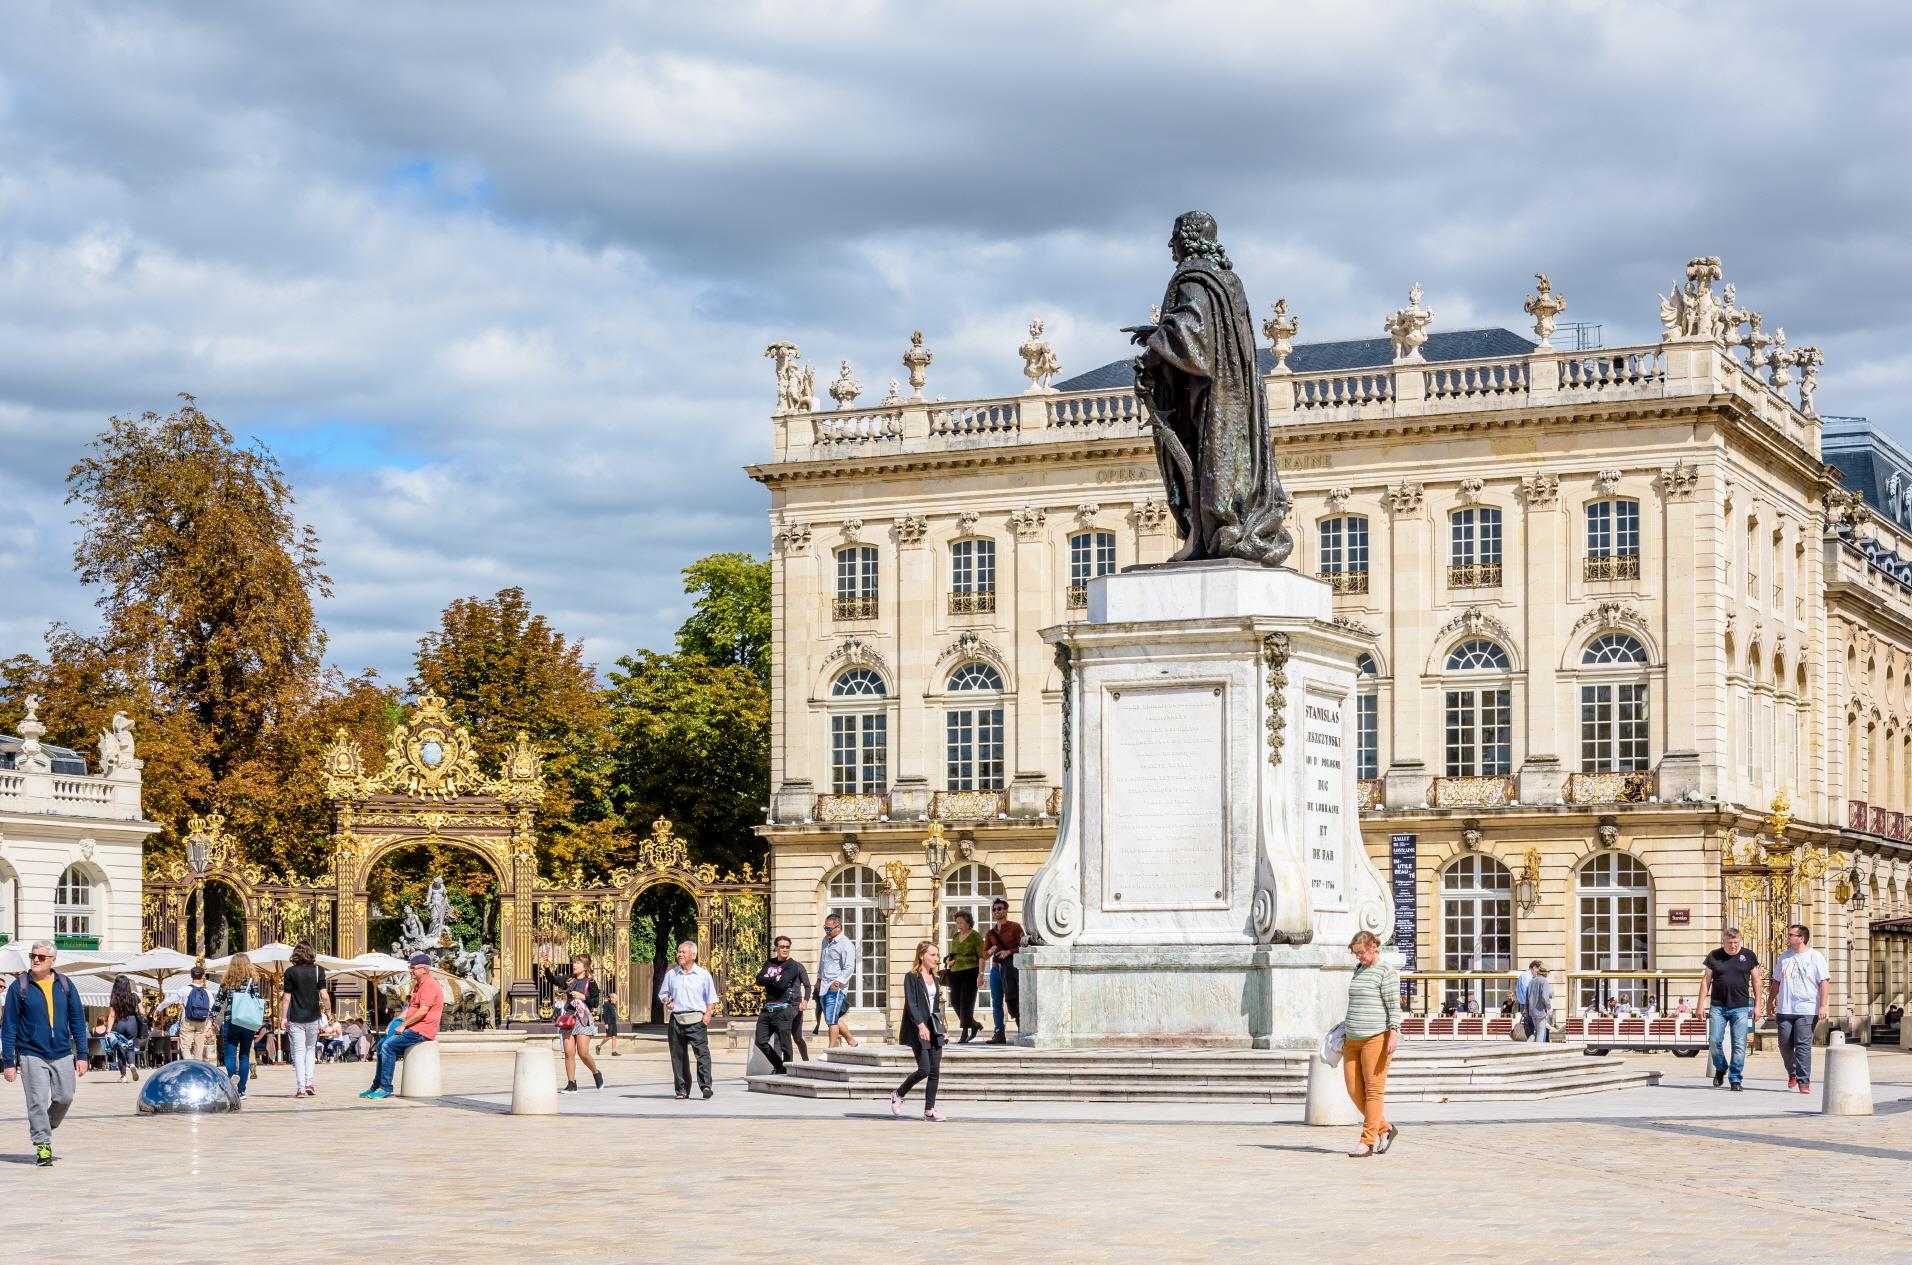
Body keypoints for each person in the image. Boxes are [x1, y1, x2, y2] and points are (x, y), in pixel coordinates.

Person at [1, 940, 89, 1166]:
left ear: (53, 960)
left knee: (65, 1097)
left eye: (41, 957)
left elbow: (78, 1021)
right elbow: (9, 1026)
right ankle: (42, 1145)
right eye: (33, 956)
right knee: (37, 1102)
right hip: (31, 1053)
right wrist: (8, 1061)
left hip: (61, 1052)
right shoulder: (19, 986)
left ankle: (43, 1126)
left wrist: (82, 1054)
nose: (36, 960)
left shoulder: (65, 985)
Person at [1341, 930, 1400, 1158]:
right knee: (1354, 1089)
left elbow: (1394, 1006)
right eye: (1356, 954)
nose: (1359, 957)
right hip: (1352, 1038)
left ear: (1374, 947)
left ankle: (1367, 1142)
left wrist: (1393, 1034)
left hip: (1376, 1037)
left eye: (1362, 953)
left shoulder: (1386, 971)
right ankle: (1385, 1128)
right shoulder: (1359, 970)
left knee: (1374, 1090)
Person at [360, 954, 443, 1100]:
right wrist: (395, 1022)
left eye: (413, 968)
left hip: (422, 1030)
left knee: (388, 1047)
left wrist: (404, 1025)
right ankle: (376, 1086)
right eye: (410, 967)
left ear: (424, 969)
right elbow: (410, 1009)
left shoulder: (430, 985)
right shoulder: (418, 985)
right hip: (413, 1027)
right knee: (380, 1045)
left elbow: (423, 1011)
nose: (410, 970)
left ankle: (386, 1088)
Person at [890, 941, 948, 1122]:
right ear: (921, 955)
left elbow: (937, 1007)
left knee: (935, 1071)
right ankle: (898, 1094)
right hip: (919, 1028)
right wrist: (921, 1026)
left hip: (934, 1028)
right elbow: (912, 1004)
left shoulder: (936, 979)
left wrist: (942, 1029)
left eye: (937, 955)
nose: (936, 959)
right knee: (924, 1069)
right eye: (932, 955)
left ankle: (929, 1110)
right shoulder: (911, 977)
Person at [1768, 923, 1829, 1094]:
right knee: (1784, 1044)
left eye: (1791, 935)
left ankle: (1804, 1081)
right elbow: (1776, 981)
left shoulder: (1815, 957)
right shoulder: (1784, 957)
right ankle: (1792, 1072)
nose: (1787, 937)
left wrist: (1823, 1005)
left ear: (1801, 938)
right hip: (1785, 1008)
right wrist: (1770, 1001)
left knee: (1802, 1045)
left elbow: (1824, 981)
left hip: (1807, 1009)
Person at [1700, 926, 1762, 1091]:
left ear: (1740, 941)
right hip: (1718, 1007)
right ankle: (1721, 1067)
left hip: (1741, 1007)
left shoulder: (1748, 956)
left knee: (1739, 1044)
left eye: (1735, 942)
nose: (1733, 946)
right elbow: (1706, 981)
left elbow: (1757, 981)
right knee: (1714, 1041)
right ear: (1723, 942)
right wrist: (1700, 1005)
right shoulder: (1714, 956)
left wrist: (1758, 1005)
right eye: (1729, 943)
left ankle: (1735, 1078)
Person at [657, 941, 718, 1100]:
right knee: (678, 1055)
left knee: (702, 1054)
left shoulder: (703, 975)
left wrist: (708, 1014)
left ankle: (705, 1085)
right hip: (677, 1018)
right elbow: (663, 993)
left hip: (697, 1019)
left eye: (683, 952)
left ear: (693, 955)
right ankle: (682, 1089)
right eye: (678, 952)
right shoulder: (672, 974)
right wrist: (666, 1000)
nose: (680, 954)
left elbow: (711, 998)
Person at [753, 936, 811, 1075]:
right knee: (760, 1041)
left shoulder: (793, 965)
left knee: (789, 1042)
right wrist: (774, 978)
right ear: (776, 948)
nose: (785, 949)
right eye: (782, 947)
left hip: (786, 1008)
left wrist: (769, 979)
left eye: (787, 947)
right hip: (767, 1009)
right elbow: (758, 980)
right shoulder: (769, 962)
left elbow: (782, 985)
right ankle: (779, 1065)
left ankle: (789, 1069)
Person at [546, 953, 603, 1094]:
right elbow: (552, 979)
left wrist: (584, 997)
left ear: (585, 966)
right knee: (569, 1052)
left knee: (583, 1053)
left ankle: (596, 1072)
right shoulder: (569, 979)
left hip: (583, 1018)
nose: (575, 964)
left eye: (578, 963)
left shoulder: (591, 982)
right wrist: (547, 969)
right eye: (575, 962)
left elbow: (596, 1002)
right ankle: (571, 1083)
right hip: (569, 1017)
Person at [280, 942, 328, 1099]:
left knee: (299, 1053)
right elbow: (324, 995)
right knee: (310, 1050)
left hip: (296, 1018)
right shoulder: (318, 970)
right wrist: (329, 1011)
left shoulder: (290, 972)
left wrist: (283, 1018)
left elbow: (286, 999)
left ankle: (300, 1088)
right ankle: (309, 1083)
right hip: (313, 1016)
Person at [214, 953, 264, 1098]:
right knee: (244, 1055)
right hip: (247, 1022)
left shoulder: (227, 982)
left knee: (229, 1054)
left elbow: (218, 1002)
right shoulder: (252, 981)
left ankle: (232, 1078)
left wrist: (212, 1019)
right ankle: (242, 1089)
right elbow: (257, 999)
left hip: (231, 1020)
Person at [984, 898, 1024, 1044]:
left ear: (1006, 910)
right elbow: (984, 954)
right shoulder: (990, 933)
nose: (997, 911)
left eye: (1000, 908)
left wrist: (1009, 952)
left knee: (1015, 998)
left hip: (1013, 969)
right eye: (994, 909)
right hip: (996, 970)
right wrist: (990, 950)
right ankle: (999, 1033)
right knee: (996, 1002)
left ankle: (1022, 1030)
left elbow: (1024, 946)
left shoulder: (1015, 927)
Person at [817, 914, 859, 1049]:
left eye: (829, 929)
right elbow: (822, 962)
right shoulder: (825, 941)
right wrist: (818, 979)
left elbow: (849, 967)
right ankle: (851, 1040)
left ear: (838, 927)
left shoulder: (845, 944)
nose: (826, 931)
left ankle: (831, 1050)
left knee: (831, 1020)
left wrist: (838, 982)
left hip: (836, 987)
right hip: (824, 985)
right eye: (825, 928)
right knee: (831, 1017)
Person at [946, 911, 985, 1043]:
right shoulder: (955, 936)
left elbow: (982, 956)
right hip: (955, 972)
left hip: (971, 972)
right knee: (956, 1002)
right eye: (957, 922)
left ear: (968, 922)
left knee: (966, 1003)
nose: (958, 925)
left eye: (961, 922)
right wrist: (948, 961)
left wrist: (981, 974)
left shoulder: (975, 936)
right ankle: (974, 1025)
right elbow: (952, 954)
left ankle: (965, 1032)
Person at [169, 965, 217, 1062]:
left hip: (188, 1020)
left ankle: (190, 1064)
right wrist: (209, 1025)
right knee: (199, 1048)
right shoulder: (207, 992)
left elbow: (170, 1000)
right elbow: (213, 1009)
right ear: (203, 976)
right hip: (202, 1021)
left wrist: (158, 1008)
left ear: (191, 976)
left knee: (186, 1047)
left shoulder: (185, 989)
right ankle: (197, 1066)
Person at [105, 975, 144, 1082]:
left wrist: (108, 1031)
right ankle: (132, 1064)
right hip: (132, 1022)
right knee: (130, 1047)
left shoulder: (114, 998)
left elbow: (112, 1015)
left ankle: (123, 1076)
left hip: (119, 1023)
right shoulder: (135, 996)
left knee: (120, 1049)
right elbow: (142, 1012)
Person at [1522, 964, 1554, 1044]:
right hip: (1540, 1010)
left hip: (1532, 1011)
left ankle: (1527, 1045)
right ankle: (1538, 1051)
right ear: (1545, 973)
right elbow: (1544, 997)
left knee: (1536, 1031)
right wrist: (1549, 1007)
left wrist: (1526, 1008)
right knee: (1540, 1032)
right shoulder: (1544, 981)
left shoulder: (1531, 981)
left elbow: (1527, 997)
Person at [594, 989, 622, 1058]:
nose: (616, 1000)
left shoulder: (613, 1005)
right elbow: (605, 1014)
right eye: (615, 998)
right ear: (611, 998)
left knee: (614, 1037)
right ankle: (599, 1046)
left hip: (613, 1023)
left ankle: (613, 1051)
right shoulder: (606, 1004)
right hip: (609, 1023)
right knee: (608, 1036)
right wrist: (606, 1023)